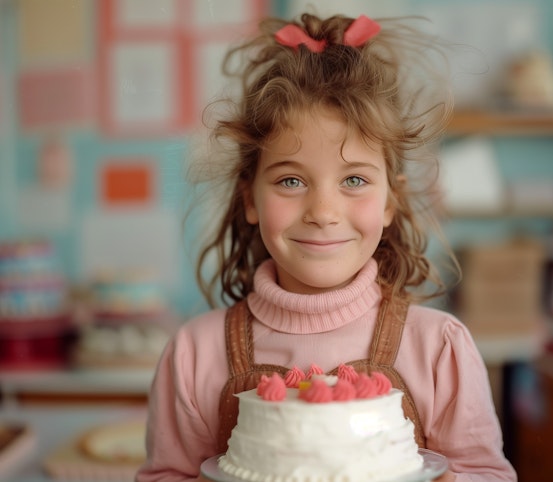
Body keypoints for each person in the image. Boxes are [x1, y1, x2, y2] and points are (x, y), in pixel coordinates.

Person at [136, 12, 517, 482]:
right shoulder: (195, 356)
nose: (323, 210)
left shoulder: (439, 349)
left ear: (389, 202)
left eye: (354, 179)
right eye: (291, 180)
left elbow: (488, 473)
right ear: (248, 198)